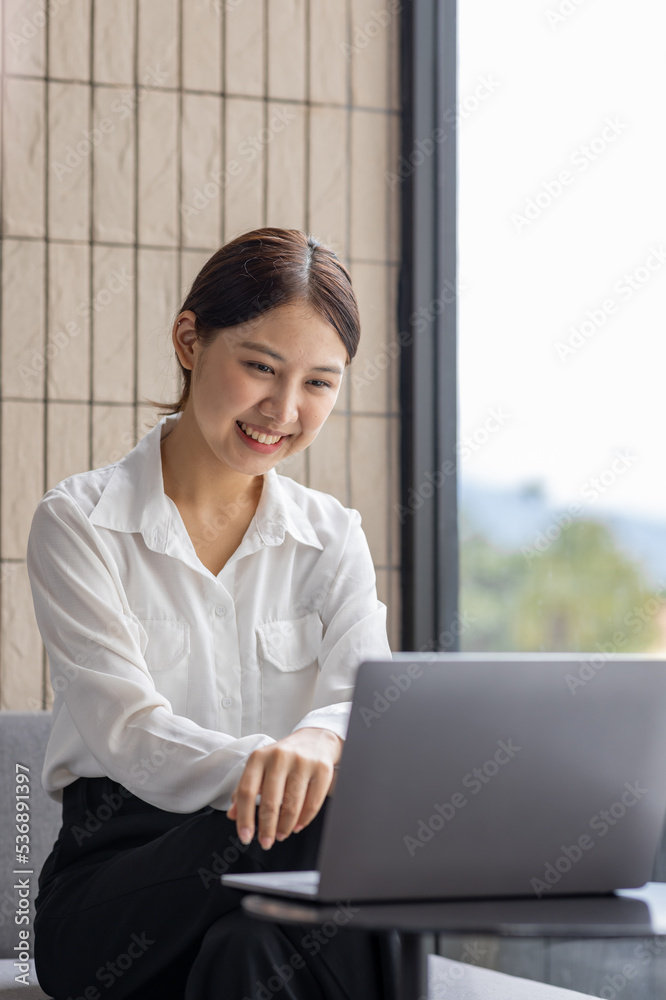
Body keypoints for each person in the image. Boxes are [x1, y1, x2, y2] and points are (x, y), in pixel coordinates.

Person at [26, 227, 400, 1000]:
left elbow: (363, 699)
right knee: (351, 828)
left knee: (250, 954)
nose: (284, 409)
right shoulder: (80, 522)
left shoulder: (332, 536)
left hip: (281, 883)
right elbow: (127, 730)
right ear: (189, 340)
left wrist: (315, 745)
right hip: (117, 889)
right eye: (260, 367)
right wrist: (279, 775)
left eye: (319, 384)